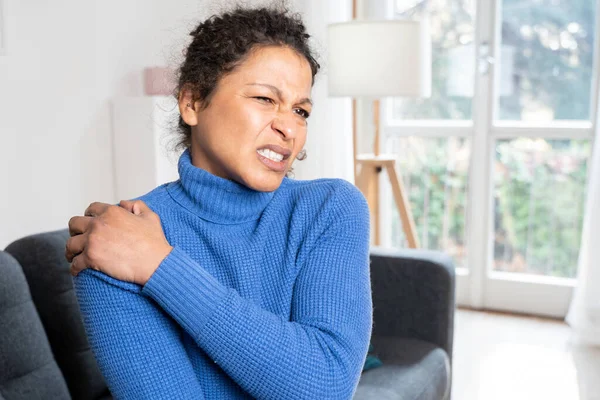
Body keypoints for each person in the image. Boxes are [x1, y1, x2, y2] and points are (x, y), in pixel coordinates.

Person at [65, 3, 372, 399]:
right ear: (192, 102)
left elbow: (325, 387)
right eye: (264, 98)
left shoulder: (331, 209)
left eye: (300, 110)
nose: (289, 127)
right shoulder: (114, 240)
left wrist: (160, 265)